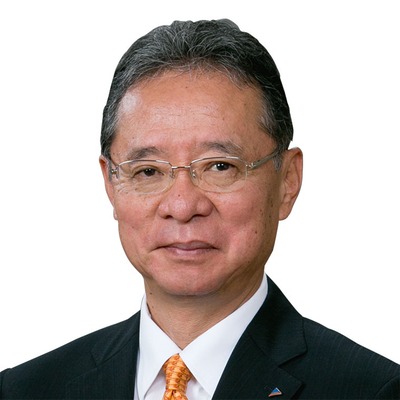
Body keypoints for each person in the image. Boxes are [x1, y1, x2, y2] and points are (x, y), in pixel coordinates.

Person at [1, 18, 399, 400]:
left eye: (220, 166)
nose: (182, 206)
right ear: (110, 183)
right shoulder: (24, 391)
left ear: (287, 182)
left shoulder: (373, 391)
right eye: (148, 171)